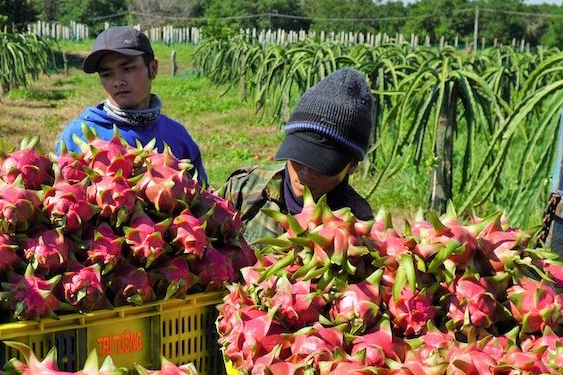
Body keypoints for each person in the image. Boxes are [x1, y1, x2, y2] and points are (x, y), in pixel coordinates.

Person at [222, 67, 375, 244]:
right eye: (300, 155)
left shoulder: (359, 227)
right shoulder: (244, 188)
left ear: (352, 165)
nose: (306, 172)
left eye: (322, 163)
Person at [56, 26, 207, 184]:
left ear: (153, 68)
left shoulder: (177, 136)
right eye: (106, 74)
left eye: (128, 69)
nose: (117, 81)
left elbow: (203, 200)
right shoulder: (79, 136)